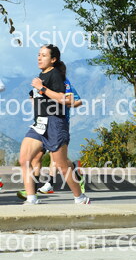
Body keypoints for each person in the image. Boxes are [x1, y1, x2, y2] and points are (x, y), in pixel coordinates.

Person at [19, 44, 89, 204]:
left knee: (61, 165)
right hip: (39, 123)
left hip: (55, 122)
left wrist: (42, 89)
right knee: (25, 159)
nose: (39, 57)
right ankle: (31, 199)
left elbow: (64, 99)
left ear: (53, 59)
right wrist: (35, 98)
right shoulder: (41, 75)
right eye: (39, 54)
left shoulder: (56, 75)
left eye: (44, 55)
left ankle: (80, 198)